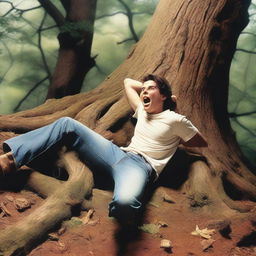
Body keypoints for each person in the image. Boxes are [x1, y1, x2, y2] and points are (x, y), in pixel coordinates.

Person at [0, 74, 207, 223]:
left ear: (163, 96)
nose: (144, 90)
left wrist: (175, 127)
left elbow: (200, 142)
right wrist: (148, 87)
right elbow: (128, 82)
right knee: (66, 124)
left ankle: (116, 209)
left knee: (125, 204)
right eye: (143, 89)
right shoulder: (142, 111)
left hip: (140, 167)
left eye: (150, 88)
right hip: (116, 153)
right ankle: (10, 160)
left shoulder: (175, 119)